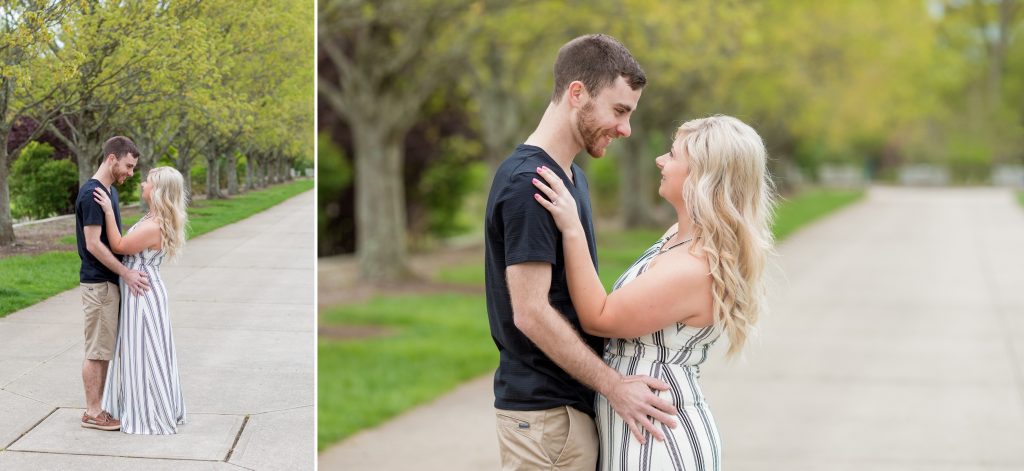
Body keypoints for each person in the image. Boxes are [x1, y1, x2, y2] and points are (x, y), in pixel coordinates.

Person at [531, 115, 775, 470]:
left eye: (673, 155)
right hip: (643, 425)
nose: (660, 161)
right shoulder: (680, 237)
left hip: (658, 438)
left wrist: (572, 229)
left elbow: (599, 317)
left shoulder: (693, 267)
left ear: (702, 175)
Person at [485, 34, 678, 471]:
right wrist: (614, 386)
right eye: (619, 110)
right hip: (545, 419)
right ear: (578, 93)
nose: (626, 129)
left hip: (568, 414)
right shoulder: (529, 183)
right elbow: (530, 312)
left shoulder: (570, 179)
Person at [93, 166, 189, 434]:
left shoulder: (154, 225)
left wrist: (110, 212)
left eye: (147, 181)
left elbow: (119, 246)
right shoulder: (154, 218)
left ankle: (150, 412)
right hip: (142, 290)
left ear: (157, 190)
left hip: (142, 294)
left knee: (144, 352)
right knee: (141, 351)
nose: (142, 184)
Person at [75, 136, 150, 431]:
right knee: (96, 350)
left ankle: (98, 408)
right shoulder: (92, 194)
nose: (130, 173)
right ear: (111, 159)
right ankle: (93, 412)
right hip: (99, 284)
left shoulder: (109, 194)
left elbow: (116, 240)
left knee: (103, 349)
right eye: (128, 166)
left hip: (109, 284)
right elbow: (94, 245)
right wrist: (126, 273)